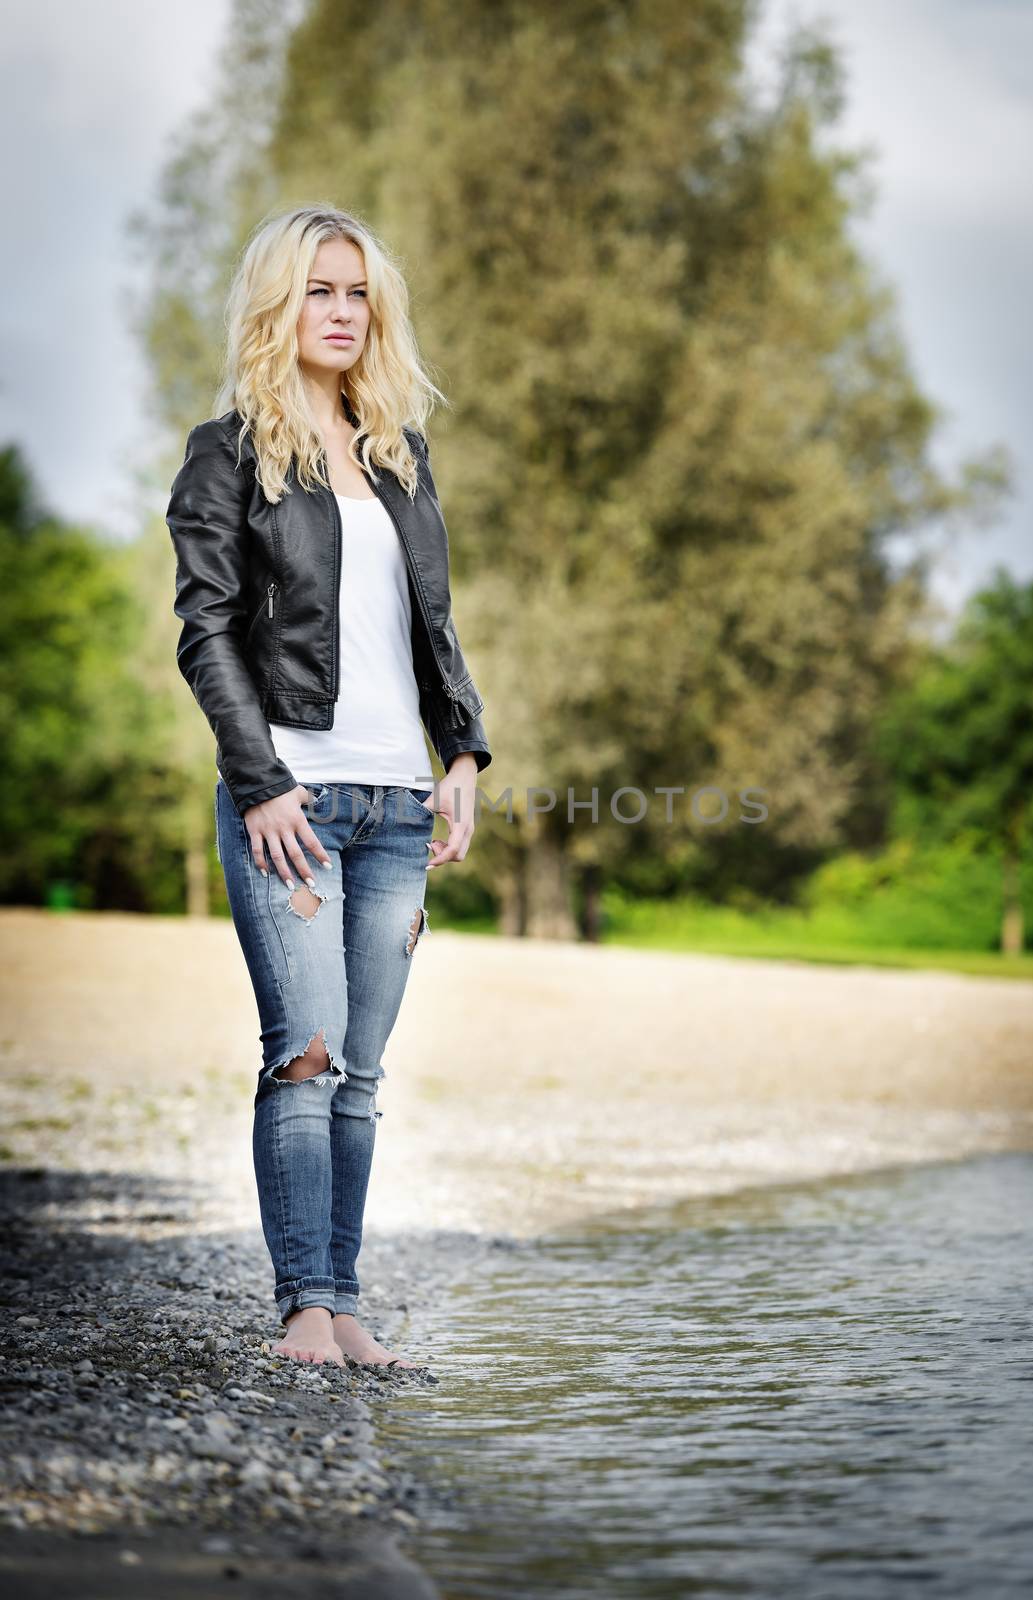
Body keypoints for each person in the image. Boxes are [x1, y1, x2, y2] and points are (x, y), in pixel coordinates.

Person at [165, 204, 491, 1369]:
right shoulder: (228, 453)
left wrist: (460, 755)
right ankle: (304, 1305)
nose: (342, 312)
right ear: (277, 305)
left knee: (357, 1074)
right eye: (319, 290)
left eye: (357, 292)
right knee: (302, 1054)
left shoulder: (400, 456)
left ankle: (341, 1303)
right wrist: (256, 781)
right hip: (291, 800)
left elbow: (429, 629)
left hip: (397, 804)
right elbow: (206, 632)